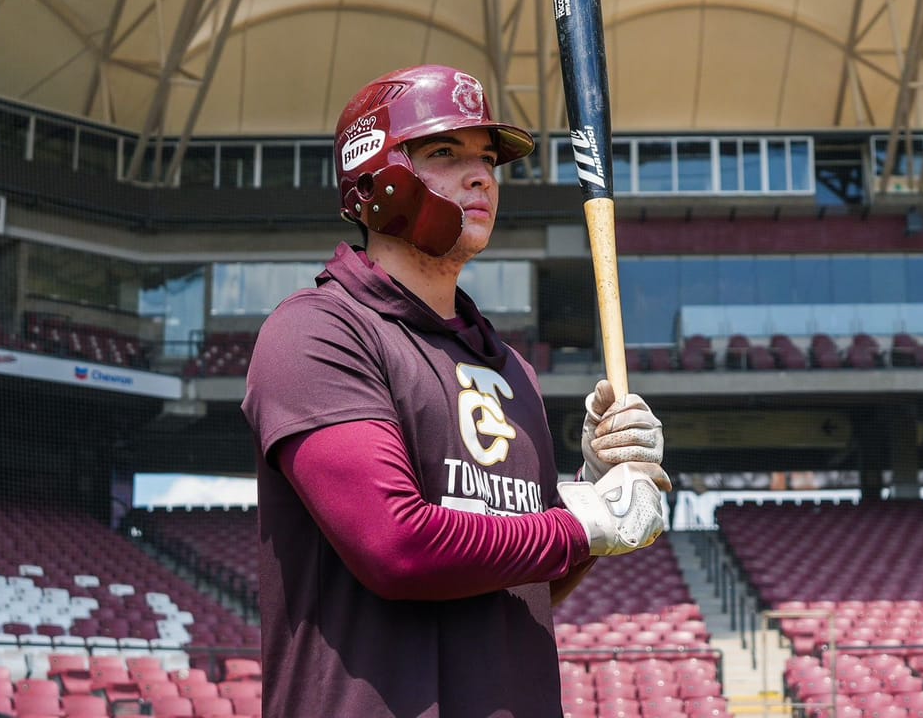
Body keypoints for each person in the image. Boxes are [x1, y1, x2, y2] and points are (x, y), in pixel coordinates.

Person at [242, 63, 670, 717]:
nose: (481, 176)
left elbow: (522, 581)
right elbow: (398, 548)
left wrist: (598, 489)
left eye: (488, 160)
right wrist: (582, 523)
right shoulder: (317, 333)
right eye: (445, 152)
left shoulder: (510, 370)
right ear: (375, 174)